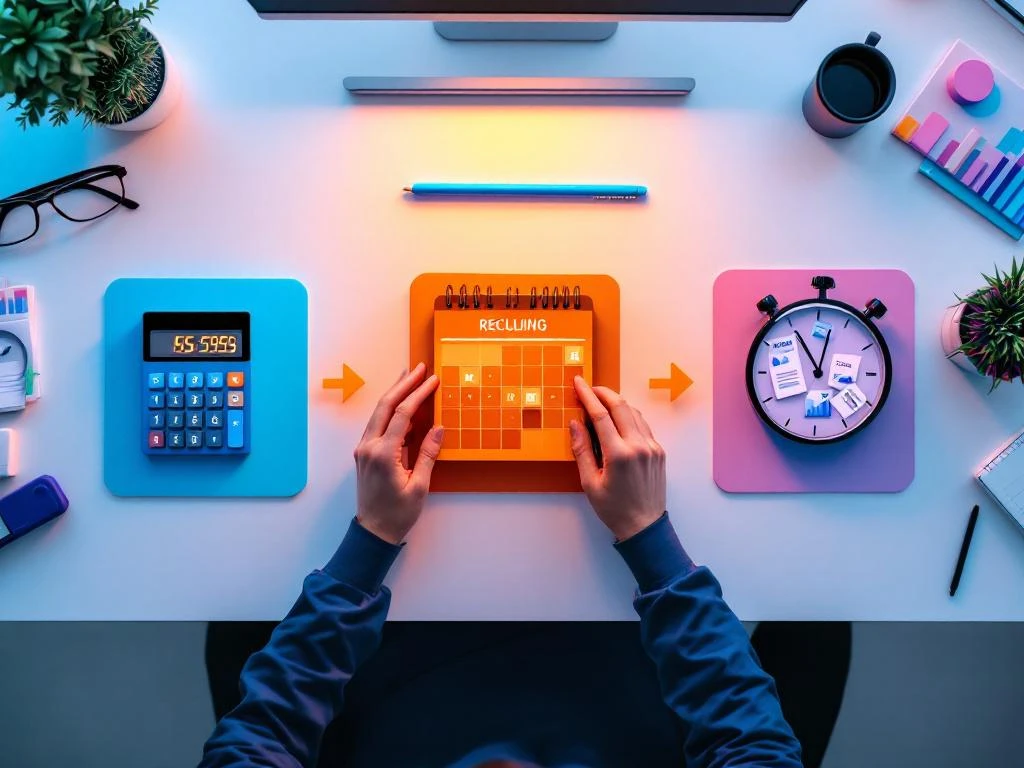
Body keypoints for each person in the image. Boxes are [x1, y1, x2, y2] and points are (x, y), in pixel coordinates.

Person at [199, 364, 804, 768]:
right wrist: (649, 538)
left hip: (388, 663)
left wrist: (372, 540)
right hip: (637, 654)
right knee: (820, 621)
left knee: (231, 619)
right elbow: (757, 746)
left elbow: (253, 742)